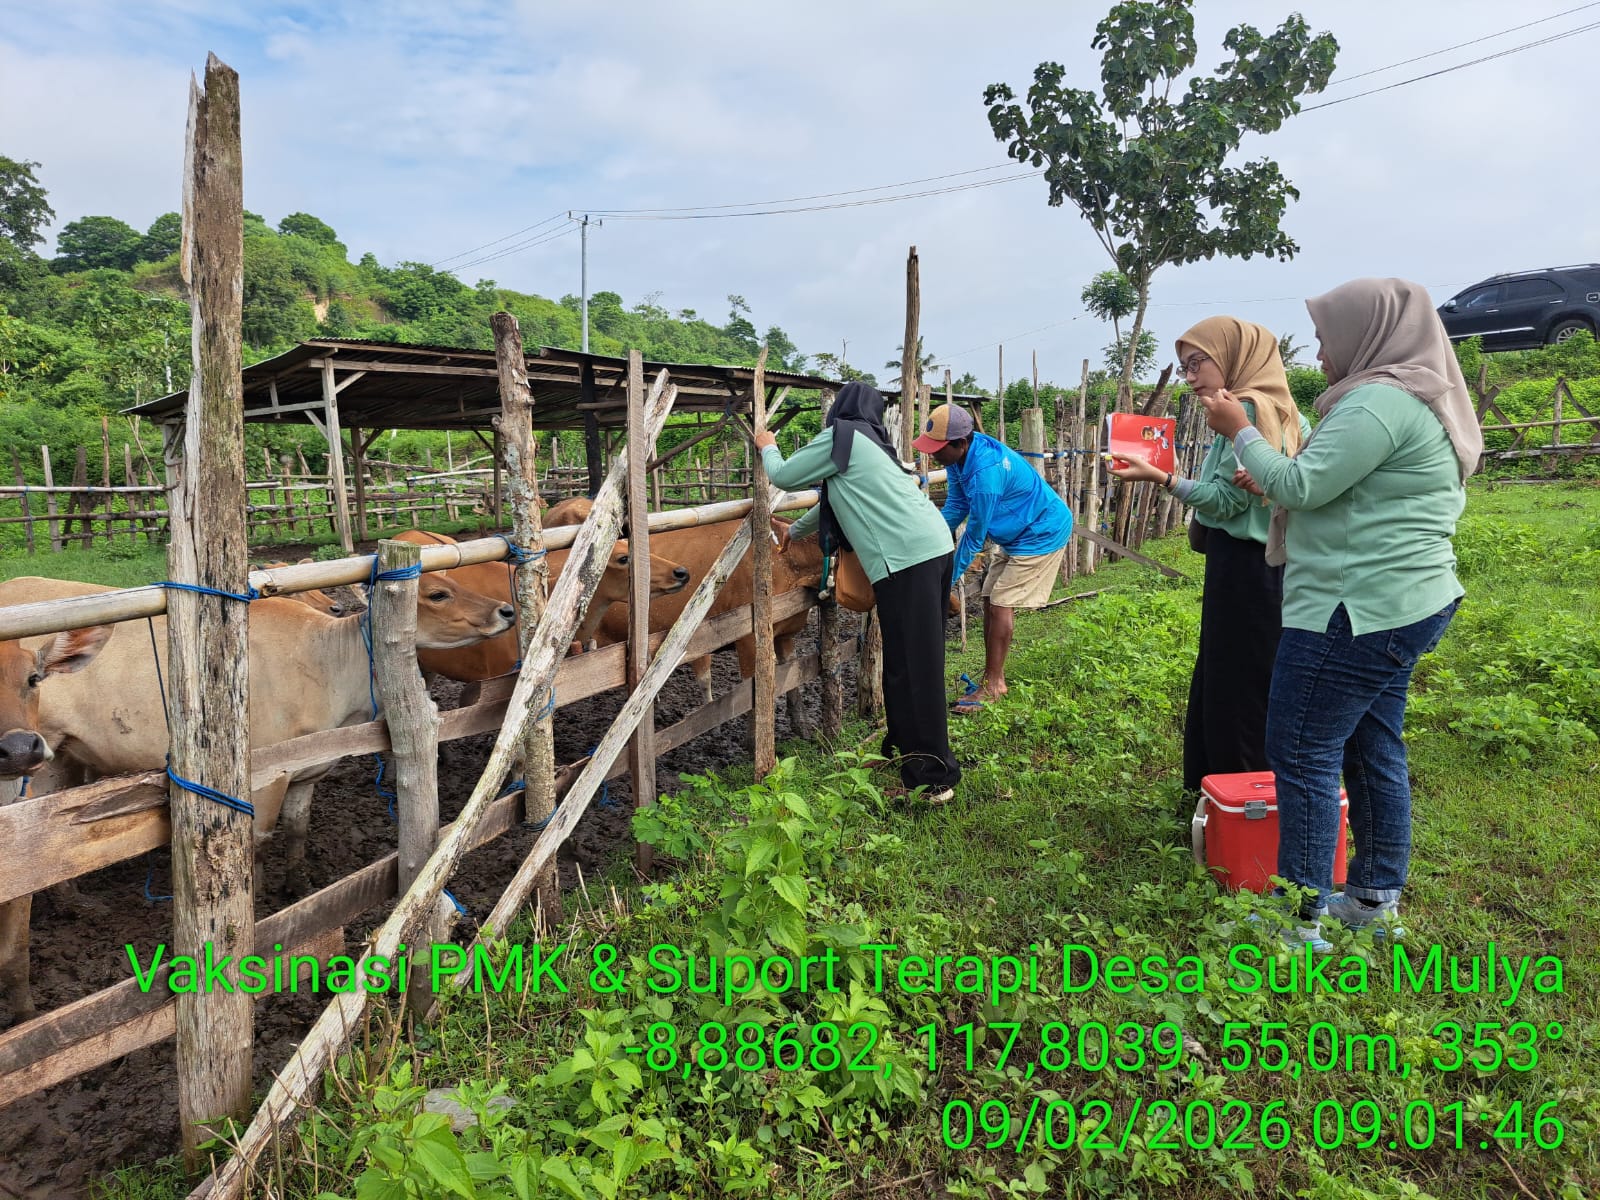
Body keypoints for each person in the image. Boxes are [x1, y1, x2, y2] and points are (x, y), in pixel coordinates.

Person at [1199, 278, 1482, 950]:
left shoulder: (1378, 402)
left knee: (1302, 752)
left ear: (1369, 332)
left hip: (1354, 607)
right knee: (1371, 745)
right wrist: (1270, 471)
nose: (1320, 352)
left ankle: (1298, 918)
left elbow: (1301, 485)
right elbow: (1336, 486)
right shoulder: (1411, 399)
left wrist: (1241, 432)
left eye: (1327, 337)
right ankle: (1372, 901)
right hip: (1402, 600)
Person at [1108, 318, 1310, 791]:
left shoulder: (1242, 409)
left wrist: (1163, 478)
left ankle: (1237, 797)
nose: (1191, 376)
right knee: (1249, 675)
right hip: (1273, 563)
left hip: (1241, 564)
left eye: (1198, 362)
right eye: (1184, 367)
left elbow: (1226, 502)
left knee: (1233, 682)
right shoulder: (1286, 408)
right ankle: (1239, 791)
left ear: (1234, 356)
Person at [754, 382, 961, 802]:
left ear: (840, 411)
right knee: (904, 664)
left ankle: (934, 779)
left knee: (916, 668)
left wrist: (767, 445)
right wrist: (795, 530)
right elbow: (833, 500)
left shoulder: (841, 436)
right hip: (930, 550)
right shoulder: (871, 445)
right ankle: (904, 752)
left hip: (908, 560)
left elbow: (783, 475)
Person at [913, 403, 1073, 713]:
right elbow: (956, 506)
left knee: (1000, 602)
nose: (933, 455)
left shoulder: (986, 472)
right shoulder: (959, 461)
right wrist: (930, 540)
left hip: (1040, 531)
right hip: (1017, 532)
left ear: (961, 443)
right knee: (989, 598)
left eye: (938, 449)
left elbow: (974, 536)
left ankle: (994, 685)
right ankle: (990, 676)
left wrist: (944, 580)